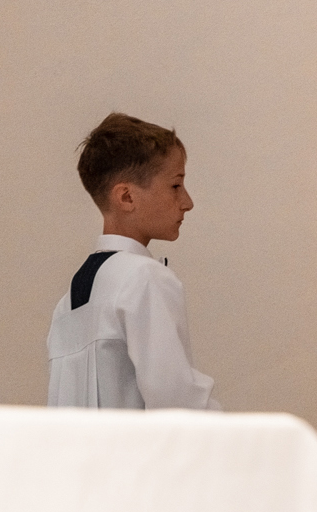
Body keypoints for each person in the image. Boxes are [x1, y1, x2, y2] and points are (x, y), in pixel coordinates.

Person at [47, 112, 218, 411]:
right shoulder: (143, 277)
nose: (187, 202)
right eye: (176, 185)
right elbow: (177, 403)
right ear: (126, 197)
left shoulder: (68, 302)